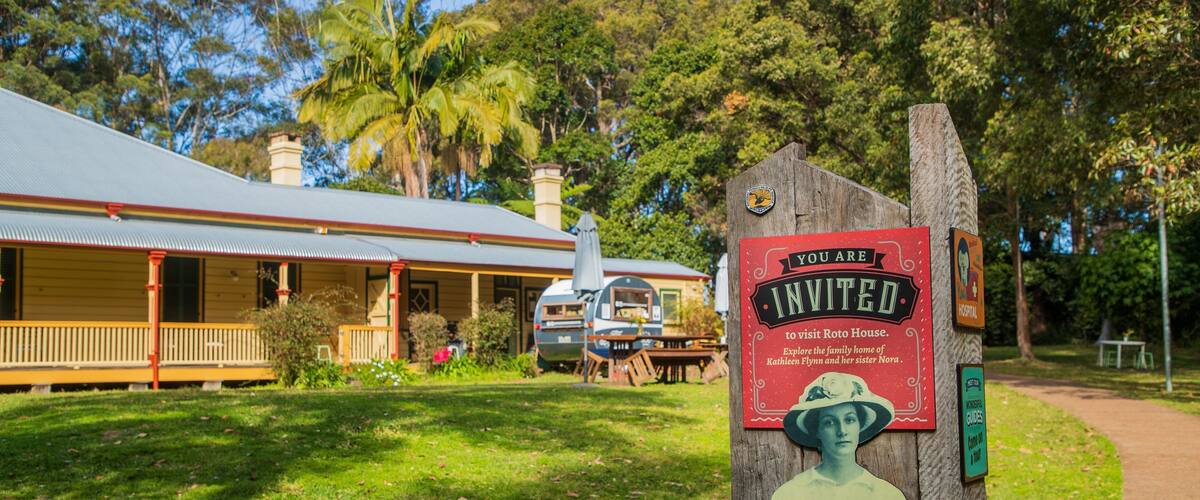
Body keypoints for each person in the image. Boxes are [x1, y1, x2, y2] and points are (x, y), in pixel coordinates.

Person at [773, 372, 905, 500]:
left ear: (860, 425)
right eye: (829, 422)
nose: (842, 431)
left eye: (849, 420)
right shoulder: (790, 494)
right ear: (816, 429)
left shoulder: (887, 494)